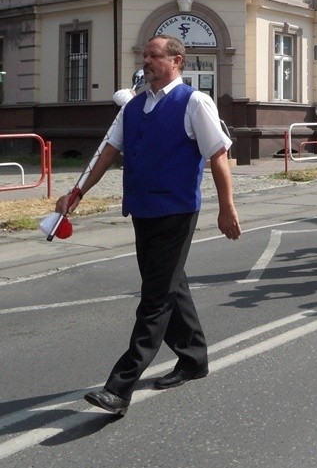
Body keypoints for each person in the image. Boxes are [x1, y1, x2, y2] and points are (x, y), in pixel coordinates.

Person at [57, 35, 241, 417]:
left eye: (155, 56)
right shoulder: (134, 106)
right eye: (145, 56)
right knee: (171, 285)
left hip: (176, 210)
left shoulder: (193, 101)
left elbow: (219, 156)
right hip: (142, 210)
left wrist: (227, 207)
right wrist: (76, 193)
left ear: (177, 61)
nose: (147, 62)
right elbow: (107, 152)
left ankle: (119, 387)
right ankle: (194, 358)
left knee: (155, 297)